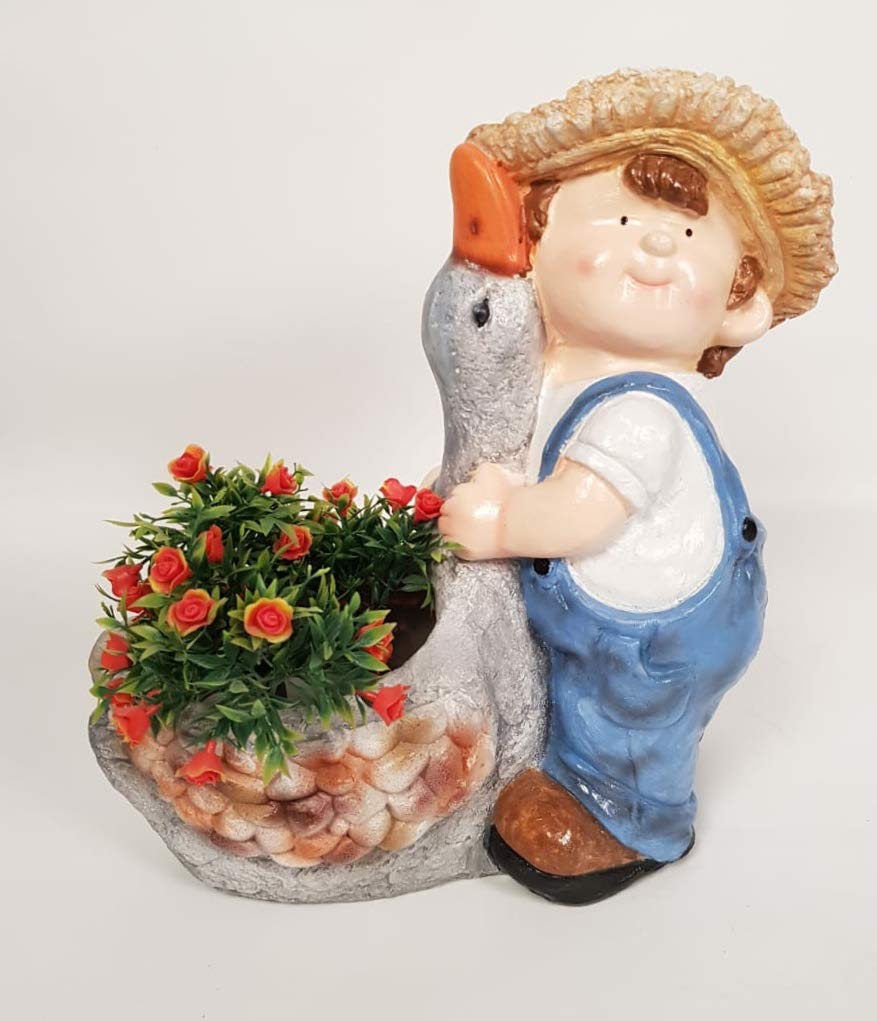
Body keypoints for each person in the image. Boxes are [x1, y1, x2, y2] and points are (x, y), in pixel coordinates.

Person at [438, 69, 836, 904]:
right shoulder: (562, 376)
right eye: (621, 221)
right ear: (536, 243)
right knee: (578, 696)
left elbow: (578, 514)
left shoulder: (640, 410)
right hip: (613, 615)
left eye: (688, 239)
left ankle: (633, 822)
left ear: (737, 305)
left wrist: (500, 523)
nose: (655, 247)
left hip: (655, 638)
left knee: (626, 729)